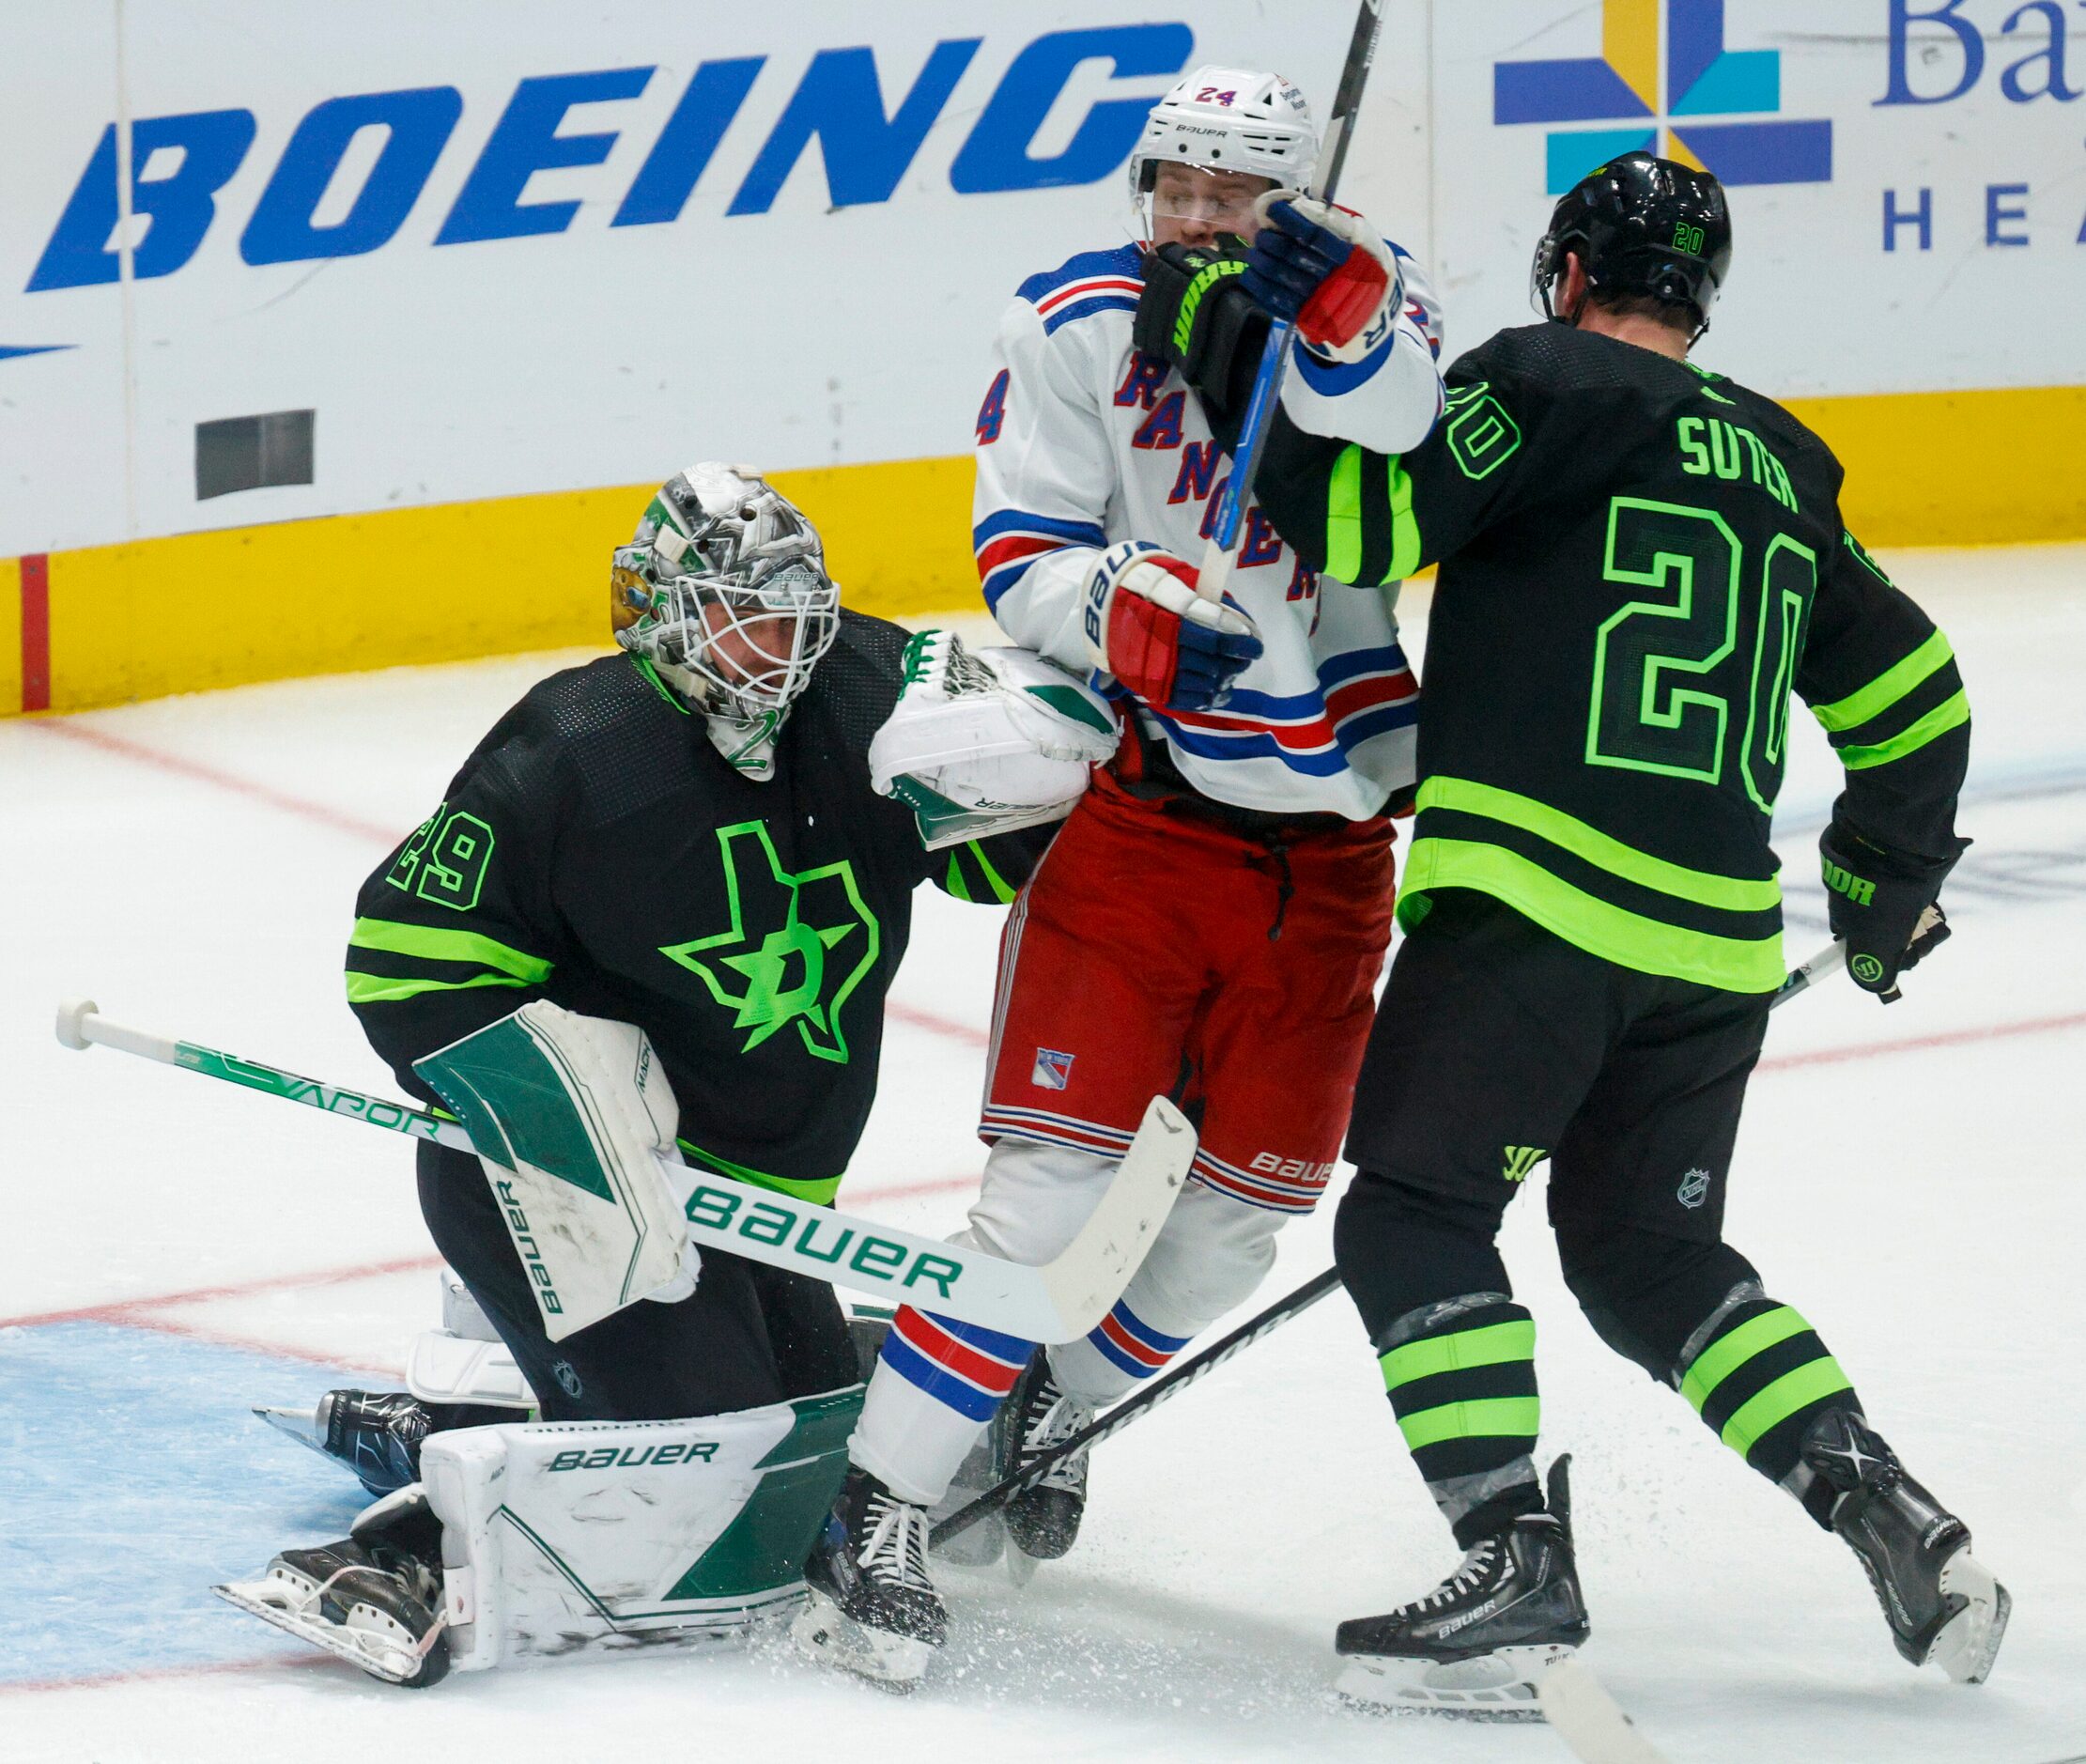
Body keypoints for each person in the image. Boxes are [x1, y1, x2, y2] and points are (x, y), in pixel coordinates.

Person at [1163, 150, 2007, 1712]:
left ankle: (1510, 1556)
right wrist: (1886, 884)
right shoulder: (1781, 455)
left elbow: (1362, 517)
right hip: (1710, 949)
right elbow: (1913, 692)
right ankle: (1880, 1500)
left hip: (1535, 909)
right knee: (1646, 1256)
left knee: (1410, 1219)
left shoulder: (1537, 379)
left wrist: (1242, 366)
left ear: (1566, 271)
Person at [216, 465, 1113, 1685]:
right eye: (745, 618)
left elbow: (983, 861)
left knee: (808, 1450)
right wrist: (574, 1118)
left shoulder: (865, 691)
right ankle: (401, 1551)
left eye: (798, 619)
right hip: (563, 1183)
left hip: (761, 1198)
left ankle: (456, 1422)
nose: (778, 653)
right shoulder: (570, 752)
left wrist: (1059, 767)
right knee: (718, 1456)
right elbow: (404, 963)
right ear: (659, 614)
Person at [798, 66, 1448, 1687]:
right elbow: (1019, 550)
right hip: (1149, 828)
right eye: (1177, 185)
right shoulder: (1076, 316)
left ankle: (1045, 1397)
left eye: (1235, 193)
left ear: (1293, 196)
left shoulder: (1366, 296)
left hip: (1336, 850)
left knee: (1239, 1227)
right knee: (1041, 1200)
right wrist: (1117, 612)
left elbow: (1410, 443)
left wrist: (1351, 323)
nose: (1197, 218)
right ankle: (871, 1507)